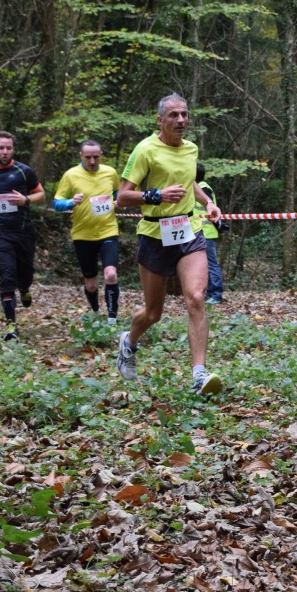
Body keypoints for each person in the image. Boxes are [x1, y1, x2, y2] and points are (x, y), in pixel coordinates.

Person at [115, 94, 223, 397]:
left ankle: (199, 375)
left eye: (184, 114)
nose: (181, 120)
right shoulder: (145, 150)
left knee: (196, 298)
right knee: (153, 313)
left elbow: (189, 182)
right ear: (160, 119)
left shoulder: (191, 149)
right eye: (174, 115)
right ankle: (129, 342)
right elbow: (123, 196)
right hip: (155, 234)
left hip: (189, 230)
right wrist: (156, 196)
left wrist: (208, 203)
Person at [0, 131, 46, 341]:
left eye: (8, 148)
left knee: (25, 274)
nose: (4, 152)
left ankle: (24, 288)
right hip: (0, 233)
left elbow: (41, 194)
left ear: (13, 150)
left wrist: (26, 200)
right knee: (6, 275)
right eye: (1, 148)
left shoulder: (24, 171)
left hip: (23, 231)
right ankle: (11, 326)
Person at [53, 140, 122, 323]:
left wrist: (119, 201)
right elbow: (56, 202)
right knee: (91, 284)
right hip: (82, 235)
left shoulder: (110, 172)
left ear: (101, 155)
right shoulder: (71, 175)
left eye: (96, 157)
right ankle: (96, 311)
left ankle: (112, 320)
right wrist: (70, 202)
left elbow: (118, 193)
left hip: (108, 231)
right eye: (88, 157)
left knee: (110, 274)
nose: (92, 161)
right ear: (81, 156)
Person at [195, 162, 226, 305]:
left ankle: (216, 295)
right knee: (202, 265)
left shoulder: (203, 188)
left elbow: (211, 211)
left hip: (206, 232)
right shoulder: (197, 188)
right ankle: (209, 293)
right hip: (198, 231)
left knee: (211, 265)